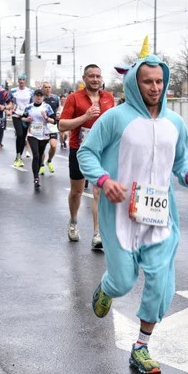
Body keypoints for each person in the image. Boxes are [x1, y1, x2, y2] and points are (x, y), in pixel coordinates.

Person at [78, 53, 188, 374]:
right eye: (147, 81)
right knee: (122, 281)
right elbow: (86, 153)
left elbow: (180, 162)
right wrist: (104, 181)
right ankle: (107, 289)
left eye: (159, 81)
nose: (154, 87)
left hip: (159, 215)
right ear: (135, 83)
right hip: (120, 211)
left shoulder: (174, 123)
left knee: (161, 282)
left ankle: (141, 347)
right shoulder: (115, 119)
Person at [59, 64, 115, 248]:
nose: (95, 79)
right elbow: (62, 125)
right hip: (80, 149)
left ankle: (98, 233)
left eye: (98, 76)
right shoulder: (74, 98)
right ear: (84, 79)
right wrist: (85, 116)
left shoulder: (108, 98)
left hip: (103, 150)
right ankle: (73, 221)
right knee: (77, 191)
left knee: (99, 191)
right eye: (91, 76)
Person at [23, 89, 56, 188]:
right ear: (34, 97)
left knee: (40, 155)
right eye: (37, 96)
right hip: (32, 134)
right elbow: (22, 118)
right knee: (36, 155)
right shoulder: (29, 107)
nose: (38, 97)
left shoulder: (47, 107)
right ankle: (36, 178)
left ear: (43, 97)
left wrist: (46, 117)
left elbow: (54, 121)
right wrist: (26, 119)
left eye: (40, 96)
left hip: (44, 134)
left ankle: (37, 172)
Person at [10, 74, 34, 167]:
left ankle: (19, 156)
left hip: (26, 115)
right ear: (18, 81)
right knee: (19, 134)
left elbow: (32, 103)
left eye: (23, 79)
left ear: (25, 81)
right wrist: (9, 109)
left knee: (23, 137)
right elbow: (10, 102)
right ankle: (17, 156)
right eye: (20, 79)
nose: (21, 81)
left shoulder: (30, 91)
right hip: (16, 115)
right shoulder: (13, 91)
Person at [40, 81, 60, 174]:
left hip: (52, 124)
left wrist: (58, 113)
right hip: (42, 125)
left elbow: (58, 107)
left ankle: (49, 161)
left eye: (49, 87)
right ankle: (42, 165)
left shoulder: (55, 98)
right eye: (45, 87)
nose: (47, 89)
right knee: (42, 147)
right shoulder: (40, 98)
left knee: (53, 145)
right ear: (43, 88)